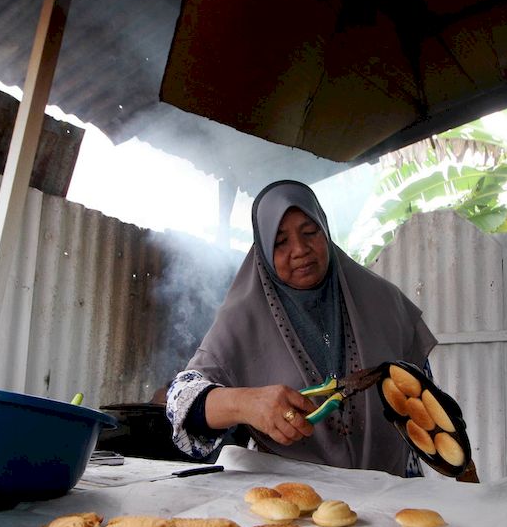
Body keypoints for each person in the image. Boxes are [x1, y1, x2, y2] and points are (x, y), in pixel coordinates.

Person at [166, 179, 452, 478]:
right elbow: (181, 400)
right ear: (263, 250)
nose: (300, 249)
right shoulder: (242, 317)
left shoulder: (384, 302)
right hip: (291, 498)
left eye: (310, 232)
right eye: (280, 242)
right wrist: (245, 404)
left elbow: (423, 398)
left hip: (389, 489)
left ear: (325, 232)